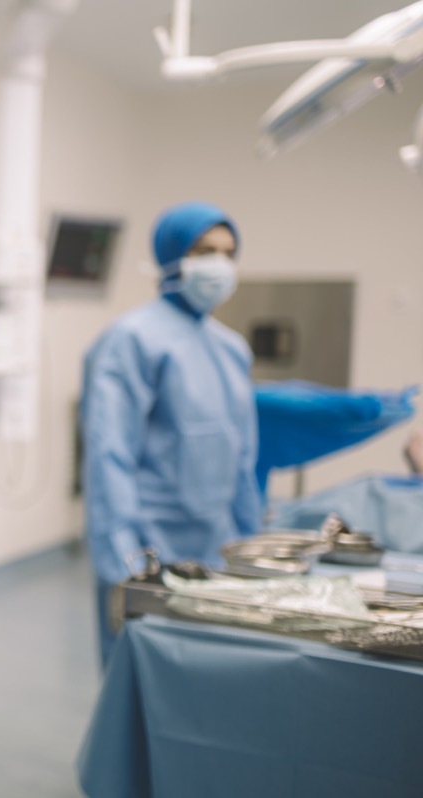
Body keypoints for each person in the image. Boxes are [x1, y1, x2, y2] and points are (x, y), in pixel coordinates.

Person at [79, 200, 261, 666]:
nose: (219, 264)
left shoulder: (231, 348)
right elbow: (109, 455)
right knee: (141, 691)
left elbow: (242, 458)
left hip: (216, 551)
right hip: (149, 556)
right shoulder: (132, 340)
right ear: (171, 256)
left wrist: (248, 543)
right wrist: (127, 565)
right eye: (204, 250)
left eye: (228, 252)